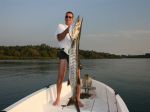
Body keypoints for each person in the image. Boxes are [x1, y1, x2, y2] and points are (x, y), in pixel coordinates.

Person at [53, 11, 84, 107]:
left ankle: (77, 99)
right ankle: (58, 98)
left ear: (72, 19)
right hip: (63, 52)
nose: (68, 18)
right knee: (60, 77)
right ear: (64, 18)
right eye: (66, 16)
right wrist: (67, 30)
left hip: (74, 53)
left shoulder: (75, 28)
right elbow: (59, 38)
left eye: (70, 17)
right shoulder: (60, 26)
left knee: (77, 77)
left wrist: (75, 29)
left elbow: (76, 38)